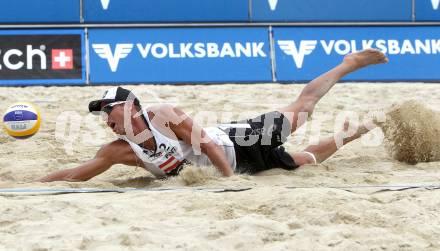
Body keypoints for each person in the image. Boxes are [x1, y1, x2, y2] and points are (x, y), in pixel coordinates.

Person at [39, 48, 388, 182]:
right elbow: (75, 174)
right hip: (241, 166)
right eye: (102, 113)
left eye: (108, 109)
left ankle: (348, 64)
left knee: (302, 109)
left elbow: (205, 144)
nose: (105, 118)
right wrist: (33, 185)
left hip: (239, 141)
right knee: (306, 161)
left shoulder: (163, 115)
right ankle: (353, 133)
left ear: (131, 107)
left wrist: (228, 180)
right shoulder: (118, 151)